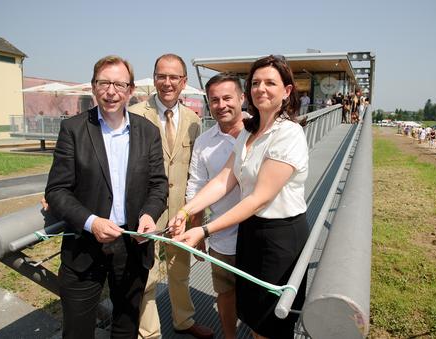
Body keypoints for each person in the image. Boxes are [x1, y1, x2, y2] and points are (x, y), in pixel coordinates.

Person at [170, 55, 309, 339]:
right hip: (252, 232)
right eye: (256, 82)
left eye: (271, 82)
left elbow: (258, 198)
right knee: (256, 318)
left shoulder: (289, 133)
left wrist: (204, 229)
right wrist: (186, 212)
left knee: (271, 324)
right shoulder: (249, 132)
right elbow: (224, 179)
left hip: (278, 238)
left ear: (287, 90)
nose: (262, 88)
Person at [44, 55, 168, 338]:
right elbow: (57, 190)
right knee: (77, 330)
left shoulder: (147, 132)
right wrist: (90, 222)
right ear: (93, 87)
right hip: (84, 246)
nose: (111, 91)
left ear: (130, 90)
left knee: (126, 326)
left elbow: (159, 185)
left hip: (132, 244)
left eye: (119, 84)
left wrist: (149, 215)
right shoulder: (73, 130)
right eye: (104, 83)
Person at [128, 54, 212, 339]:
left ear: (183, 82)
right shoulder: (135, 114)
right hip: (146, 209)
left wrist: (196, 215)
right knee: (147, 274)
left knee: (180, 269)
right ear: (154, 79)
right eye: (161, 76)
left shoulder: (193, 120)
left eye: (173, 77)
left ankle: (184, 321)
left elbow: (198, 172)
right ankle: (148, 333)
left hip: (181, 210)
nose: (167, 82)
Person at [186, 73, 245, 339]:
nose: (221, 105)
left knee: (259, 297)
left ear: (242, 98)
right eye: (214, 100)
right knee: (224, 292)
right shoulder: (204, 142)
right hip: (219, 236)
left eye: (227, 98)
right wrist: (196, 228)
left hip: (259, 234)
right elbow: (195, 187)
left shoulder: (259, 133)